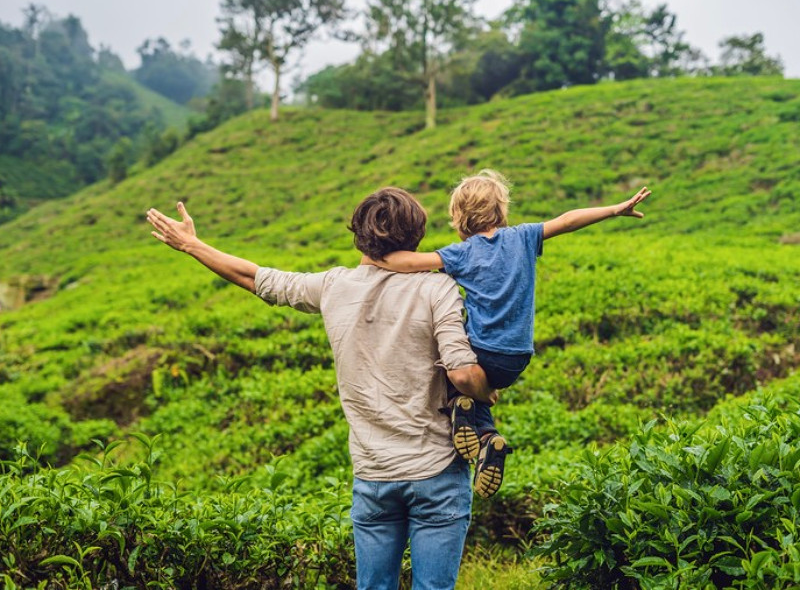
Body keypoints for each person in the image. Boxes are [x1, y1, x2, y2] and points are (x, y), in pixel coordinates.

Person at [146, 187, 496, 590]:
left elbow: (256, 278)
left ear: (358, 236)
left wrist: (192, 245)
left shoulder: (334, 287)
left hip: (373, 473)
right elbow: (464, 374)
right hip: (436, 470)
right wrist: (486, 393)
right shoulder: (438, 288)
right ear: (416, 236)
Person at [367, 170, 651, 498]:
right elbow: (568, 219)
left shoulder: (460, 254)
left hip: (479, 354)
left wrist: (373, 255)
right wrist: (615, 209)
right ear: (502, 211)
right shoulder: (523, 237)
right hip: (516, 358)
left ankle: (459, 406)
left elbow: (410, 262)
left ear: (458, 218)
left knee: (442, 363)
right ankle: (488, 439)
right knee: (474, 394)